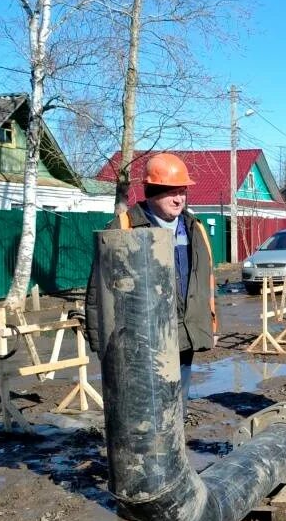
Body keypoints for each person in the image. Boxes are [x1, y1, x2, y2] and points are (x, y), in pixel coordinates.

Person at [85, 152, 217, 415]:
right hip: (140, 340)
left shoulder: (193, 227)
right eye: (172, 193)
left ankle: (174, 451)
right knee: (144, 411)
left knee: (177, 406)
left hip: (184, 333)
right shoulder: (124, 228)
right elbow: (98, 291)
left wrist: (211, 322)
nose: (179, 199)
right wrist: (102, 344)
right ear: (152, 192)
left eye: (183, 192)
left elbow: (206, 282)